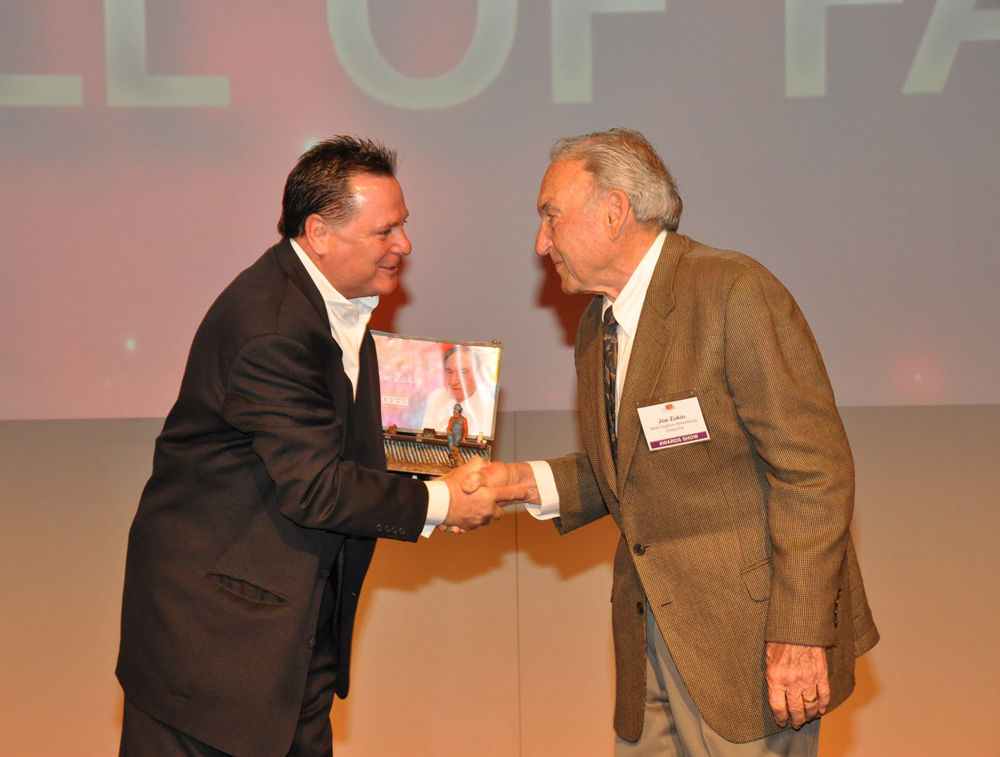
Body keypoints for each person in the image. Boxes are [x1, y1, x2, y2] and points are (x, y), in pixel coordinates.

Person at [468, 128, 879, 756]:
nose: (540, 242)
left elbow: (815, 472)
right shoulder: (597, 324)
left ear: (614, 211)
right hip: (649, 638)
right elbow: (632, 467)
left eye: (551, 217)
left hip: (753, 644)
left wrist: (799, 635)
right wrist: (518, 483)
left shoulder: (731, 291)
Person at [115, 136, 504, 757]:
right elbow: (317, 488)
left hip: (289, 637)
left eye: (403, 226)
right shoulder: (271, 329)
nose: (404, 245)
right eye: (386, 232)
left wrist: (441, 481)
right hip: (215, 651)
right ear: (319, 231)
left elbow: (337, 458)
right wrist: (441, 502)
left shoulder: (338, 307)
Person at [421, 345, 495, 436]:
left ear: (477, 374)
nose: (453, 381)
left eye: (463, 373)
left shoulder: (489, 405)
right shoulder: (435, 397)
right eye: (449, 372)